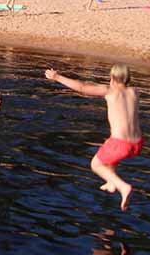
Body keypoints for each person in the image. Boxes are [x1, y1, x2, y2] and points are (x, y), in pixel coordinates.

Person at [43, 64, 143, 211]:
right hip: (137, 144)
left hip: (121, 144)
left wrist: (57, 77)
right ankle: (111, 182)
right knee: (109, 147)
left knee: (96, 164)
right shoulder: (135, 91)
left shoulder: (110, 91)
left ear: (112, 78)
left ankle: (123, 187)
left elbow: (82, 87)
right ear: (128, 78)